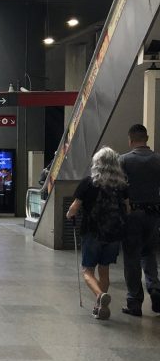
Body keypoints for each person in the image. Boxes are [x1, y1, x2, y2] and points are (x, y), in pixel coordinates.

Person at [66, 147, 129, 321]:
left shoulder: (89, 182)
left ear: (97, 163)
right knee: (104, 270)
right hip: (114, 233)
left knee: (87, 271)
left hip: (92, 232)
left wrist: (69, 214)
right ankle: (99, 307)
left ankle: (100, 296)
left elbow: (74, 208)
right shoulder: (121, 185)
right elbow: (127, 208)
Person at [119, 123, 160, 316]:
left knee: (132, 257)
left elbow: (119, 188)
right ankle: (155, 287)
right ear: (147, 138)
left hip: (132, 214)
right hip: (153, 213)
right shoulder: (158, 160)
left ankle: (134, 302)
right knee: (149, 253)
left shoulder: (124, 160)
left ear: (130, 140)